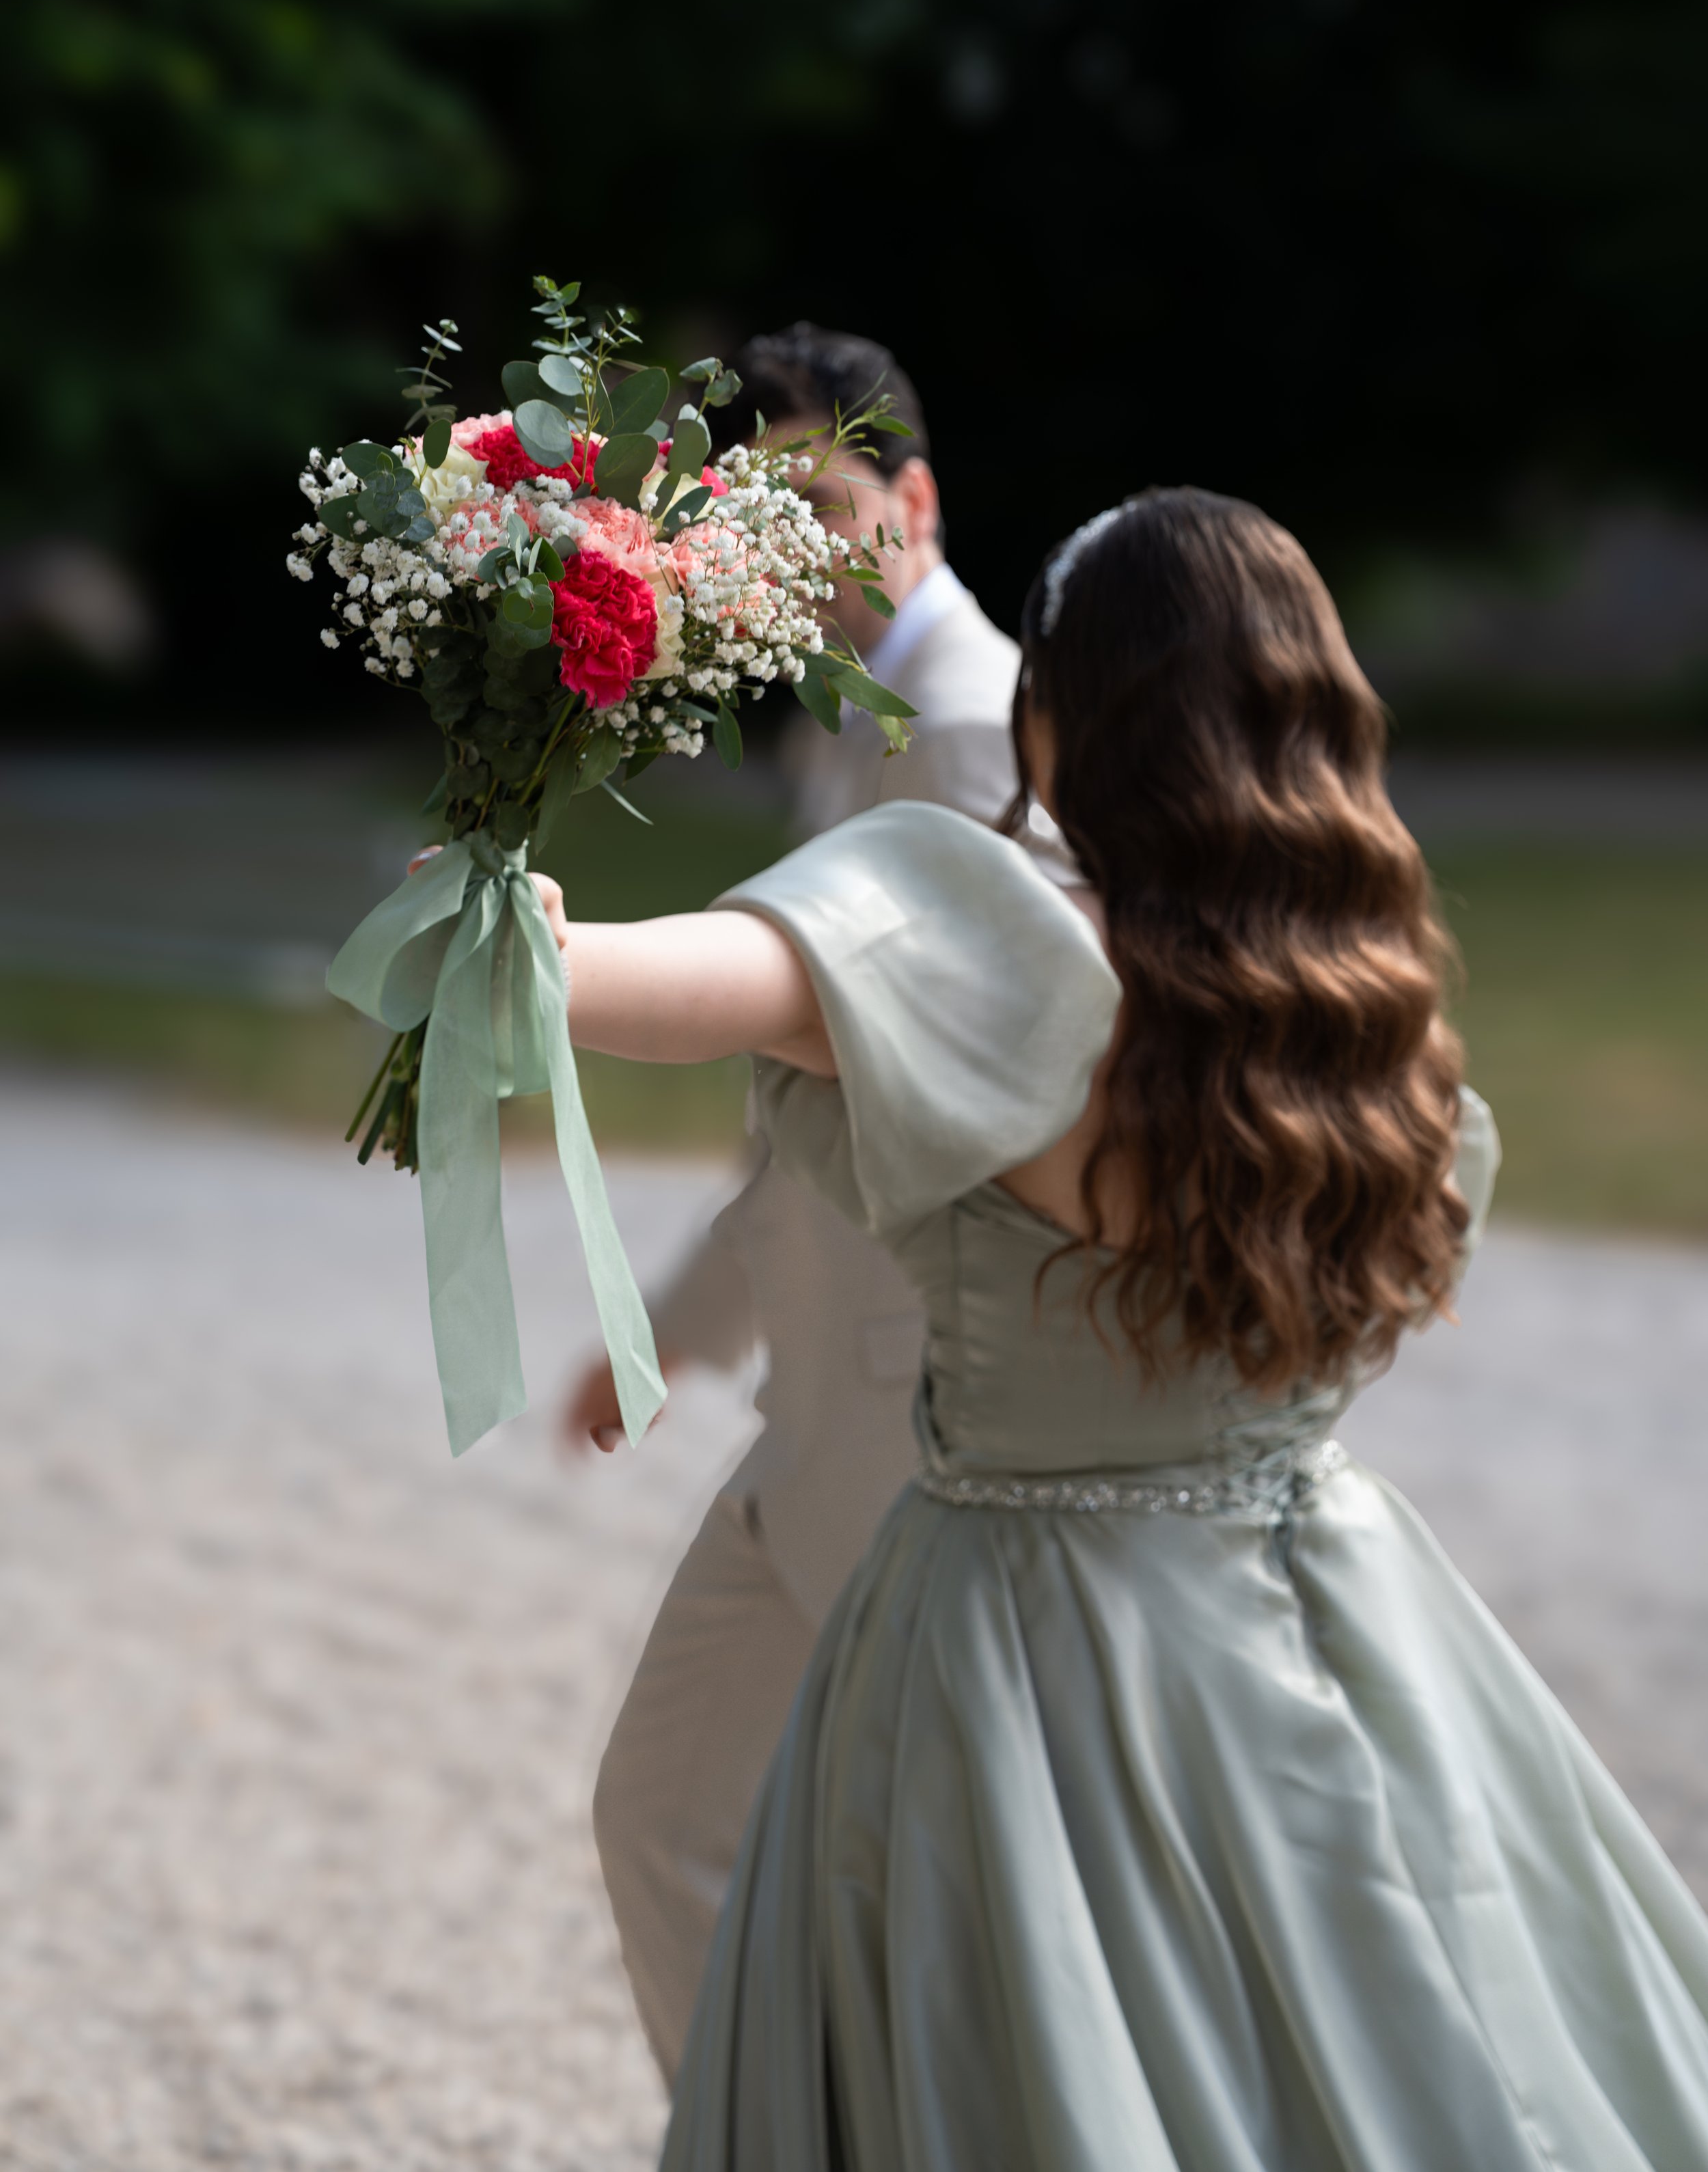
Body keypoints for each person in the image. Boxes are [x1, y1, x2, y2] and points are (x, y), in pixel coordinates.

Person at [536, 488, 1708, 2169]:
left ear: (1061, 714)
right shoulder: (1364, 1017)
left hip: (1016, 1630)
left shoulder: (1005, 963)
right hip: (1327, 1605)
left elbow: (656, 987)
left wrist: (529, 923)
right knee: (1373, 2030)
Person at [566, 324, 1041, 2081]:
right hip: (810, 1410)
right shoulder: (843, 730)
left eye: (821, 506)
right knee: (660, 1819)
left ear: (911, 499)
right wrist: (666, 1331)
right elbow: (802, 1115)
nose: (789, 552)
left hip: (927, 1414)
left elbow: (908, 1058)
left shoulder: (989, 733)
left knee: (927, 1889)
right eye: (755, 519)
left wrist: (550, 961)